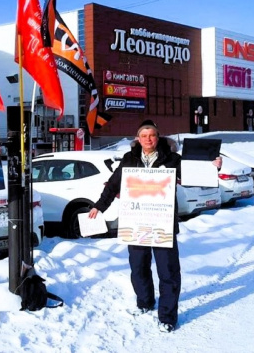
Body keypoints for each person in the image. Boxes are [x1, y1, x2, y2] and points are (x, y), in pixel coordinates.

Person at [88, 119, 221, 333]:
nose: (148, 139)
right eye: (144, 135)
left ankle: (167, 317)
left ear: (158, 137)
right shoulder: (129, 159)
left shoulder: (172, 159)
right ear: (138, 139)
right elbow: (113, 185)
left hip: (163, 223)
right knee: (138, 267)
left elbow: (194, 175)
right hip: (136, 222)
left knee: (168, 271)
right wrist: (99, 207)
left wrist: (212, 167)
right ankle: (145, 302)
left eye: (152, 135)